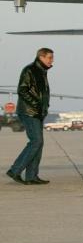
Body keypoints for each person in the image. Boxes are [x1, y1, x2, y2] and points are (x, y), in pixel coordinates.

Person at [6, 48, 54, 186]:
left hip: (37, 112)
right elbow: (22, 90)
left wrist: (43, 107)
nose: (52, 60)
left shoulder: (41, 71)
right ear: (41, 57)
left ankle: (31, 176)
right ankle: (15, 170)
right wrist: (36, 104)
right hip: (29, 112)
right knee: (36, 141)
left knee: (38, 142)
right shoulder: (30, 70)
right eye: (49, 57)